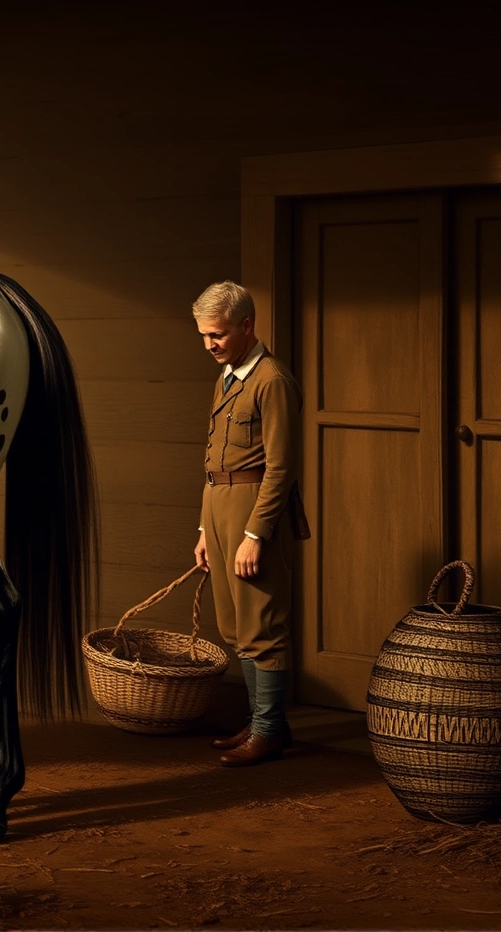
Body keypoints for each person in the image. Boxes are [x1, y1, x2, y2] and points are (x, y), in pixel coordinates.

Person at [189, 281, 305, 767]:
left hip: (252, 504)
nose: (210, 344)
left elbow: (281, 466)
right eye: (203, 335)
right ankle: (261, 723)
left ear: (247, 325)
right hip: (218, 502)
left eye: (217, 334)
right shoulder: (228, 377)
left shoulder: (271, 380)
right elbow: (214, 455)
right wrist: (202, 530)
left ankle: (269, 730)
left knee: (261, 623)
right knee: (234, 624)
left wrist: (256, 533)